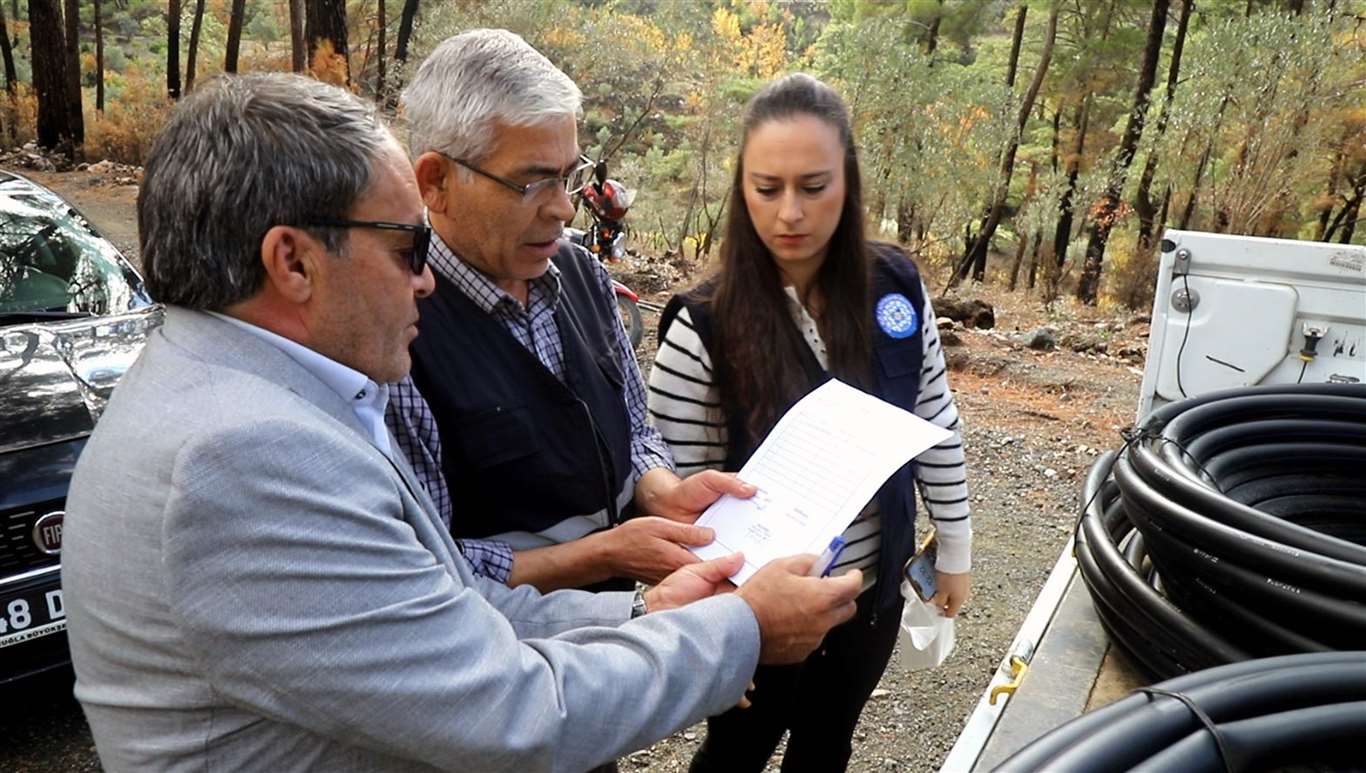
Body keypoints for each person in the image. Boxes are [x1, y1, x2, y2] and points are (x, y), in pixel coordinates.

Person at [60, 72, 865, 773]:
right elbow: (513, 714)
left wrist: (645, 612)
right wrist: (741, 628)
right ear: (294, 261)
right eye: (409, 245)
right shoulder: (239, 457)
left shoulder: (256, 397)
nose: (425, 282)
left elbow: (442, 613)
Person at [648, 73, 974, 772]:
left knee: (827, 742)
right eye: (767, 189)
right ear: (741, 188)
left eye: (814, 185)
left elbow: (933, 415)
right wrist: (712, 621)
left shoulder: (895, 287)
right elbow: (675, 491)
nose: (789, 212)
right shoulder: (703, 325)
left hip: (868, 593)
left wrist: (955, 544)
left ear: (849, 181)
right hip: (757, 607)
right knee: (737, 747)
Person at [387, 29, 740, 593]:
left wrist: (660, 490)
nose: (564, 207)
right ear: (436, 181)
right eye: (533, 182)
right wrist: (600, 556)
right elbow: (425, 565)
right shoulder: (393, 333)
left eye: (570, 174)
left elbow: (635, 424)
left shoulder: (583, 276)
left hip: (620, 639)